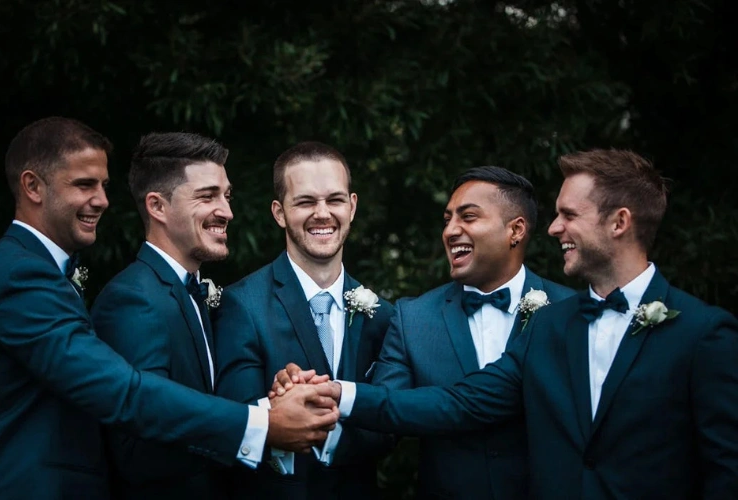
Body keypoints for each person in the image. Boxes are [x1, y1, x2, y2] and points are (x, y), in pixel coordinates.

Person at [284, 149, 738, 499]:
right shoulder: (551, 327)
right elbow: (461, 403)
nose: (555, 228)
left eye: (569, 215)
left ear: (620, 222)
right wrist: (336, 392)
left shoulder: (705, 333)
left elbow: (724, 468)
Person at [0, 117, 339, 500]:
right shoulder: (24, 276)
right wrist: (264, 424)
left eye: (103, 185)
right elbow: (125, 394)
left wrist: (270, 403)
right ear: (32, 186)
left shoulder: (44, 273)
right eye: (85, 185)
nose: (101, 200)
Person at [370, 166, 573, 499]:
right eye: (447, 219)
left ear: (516, 230)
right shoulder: (413, 317)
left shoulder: (568, 311)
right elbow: (384, 416)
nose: (451, 231)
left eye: (468, 217)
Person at [213, 141, 395, 499]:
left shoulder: (382, 315)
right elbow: (233, 418)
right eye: (306, 201)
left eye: (335, 200)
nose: (322, 213)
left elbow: (391, 422)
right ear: (280, 213)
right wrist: (277, 406)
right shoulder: (241, 304)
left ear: (353, 206)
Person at [90, 132, 239, 498]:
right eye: (207, 196)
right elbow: (139, 451)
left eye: (226, 195)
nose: (227, 211)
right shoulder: (132, 300)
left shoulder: (197, 293)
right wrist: (255, 431)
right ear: (157, 207)